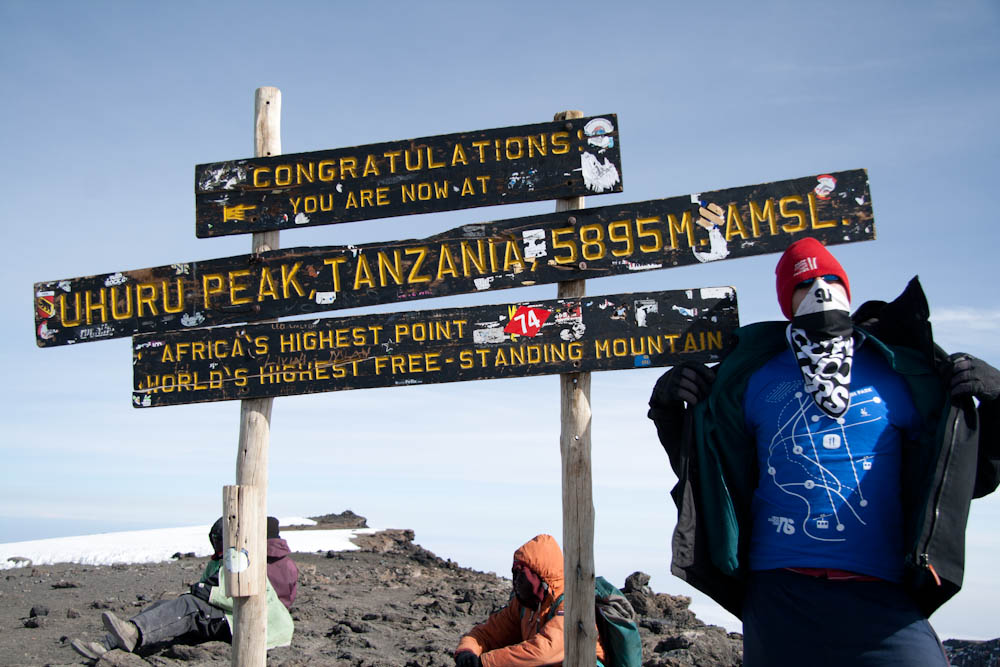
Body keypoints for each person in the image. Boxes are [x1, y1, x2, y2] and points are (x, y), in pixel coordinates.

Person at [648, 237, 1000, 666]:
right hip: (780, 594)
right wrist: (667, 408)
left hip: (882, 591)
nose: (821, 290)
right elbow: (704, 473)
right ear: (786, 300)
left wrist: (996, 405)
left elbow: (970, 478)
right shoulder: (747, 378)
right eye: (804, 282)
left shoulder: (908, 373)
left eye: (831, 278)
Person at [71, 516, 296, 660]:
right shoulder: (229, 561)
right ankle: (112, 643)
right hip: (233, 616)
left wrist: (205, 592)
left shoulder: (247, 561)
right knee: (169, 606)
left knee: (188, 607)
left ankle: (132, 635)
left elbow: (247, 597)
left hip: (255, 626)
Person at [454, 534, 606, 667]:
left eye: (523, 575)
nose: (517, 582)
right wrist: (467, 651)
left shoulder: (573, 605)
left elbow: (544, 650)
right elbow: (487, 634)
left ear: (541, 576)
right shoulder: (523, 607)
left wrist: (485, 662)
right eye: (515, 574)